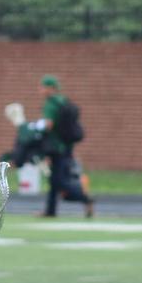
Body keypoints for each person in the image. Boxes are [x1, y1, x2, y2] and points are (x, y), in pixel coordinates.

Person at [37, 74, 94, 218]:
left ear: (51, 88)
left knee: (59, 180)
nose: (40, 90)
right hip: (66, 147)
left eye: (43, 87)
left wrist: (35, 128)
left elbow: (48, 125)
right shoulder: (63, 101)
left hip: (55, 148)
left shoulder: (51, 104)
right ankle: (50, 211)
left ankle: (85, 198)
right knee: (54, 180)